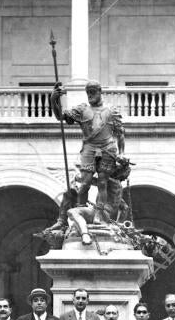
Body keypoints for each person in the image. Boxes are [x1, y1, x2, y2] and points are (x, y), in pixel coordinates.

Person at [51, 79, 125, 218]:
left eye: (93, 92)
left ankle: (99, 215)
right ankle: (81, 212)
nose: (90, 96)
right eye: (88, 93)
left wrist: (122, 153)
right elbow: (60, 116)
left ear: (100, 92)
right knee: (85, 183)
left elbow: (120, 133)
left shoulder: (111, 111)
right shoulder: (82, 109)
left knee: (103, 183)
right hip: (89, 148)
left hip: (107, 148)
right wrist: (53, 100)